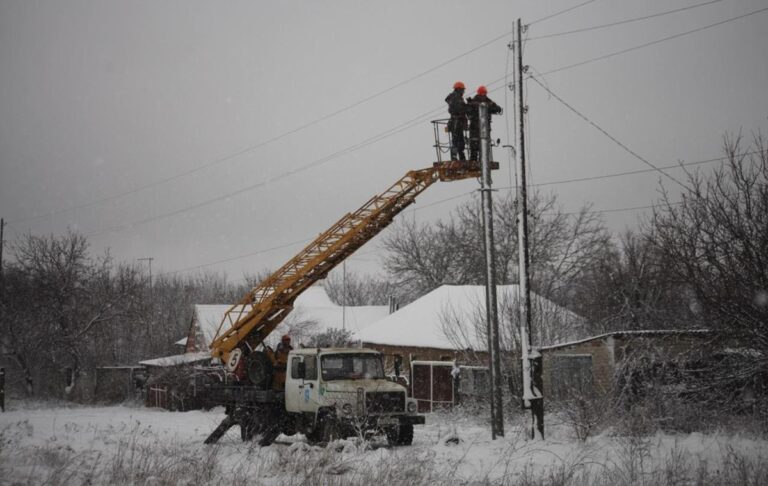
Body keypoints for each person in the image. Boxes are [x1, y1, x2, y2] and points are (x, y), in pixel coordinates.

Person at [467, 85, 502, 161]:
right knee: (476, 146)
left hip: (481, 128)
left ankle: (479, 161)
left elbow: (497, 108)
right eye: (482, 93)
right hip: (477, 128)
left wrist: (491, 105)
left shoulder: (485, 101)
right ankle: (476, 160)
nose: (483, 95)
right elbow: (469, 111)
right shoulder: (475, 102)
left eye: (484, 94)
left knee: (480, 147)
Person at [445, 81, 468, 161]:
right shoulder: (457, 98)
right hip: (457, 122)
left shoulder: (453, 98)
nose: (463, 92)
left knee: (457, 140)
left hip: (455, 121)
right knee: (458, 140)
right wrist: (467, 107)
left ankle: (457, 155)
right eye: (462, 90)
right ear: (459, 89)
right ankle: (459, 156)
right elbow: (460, 109)